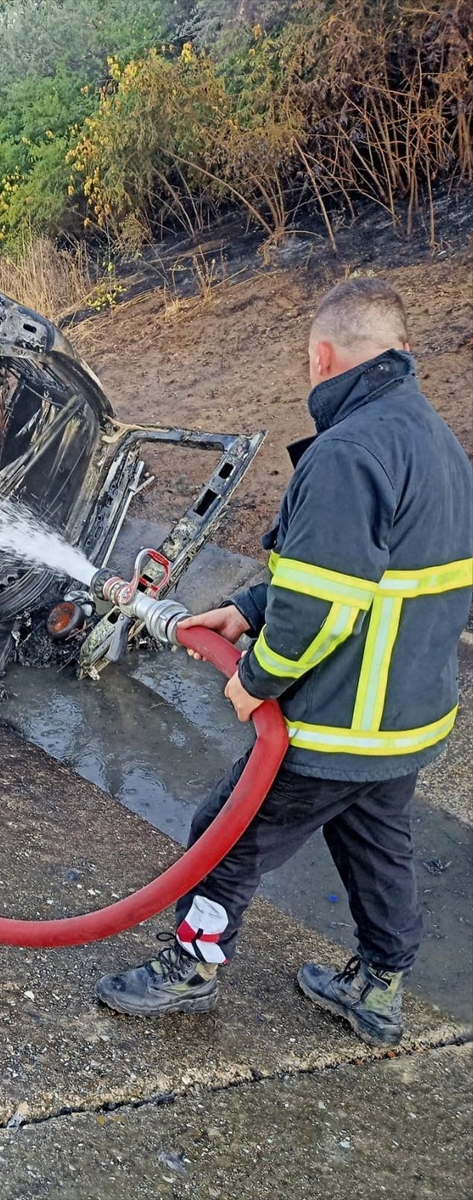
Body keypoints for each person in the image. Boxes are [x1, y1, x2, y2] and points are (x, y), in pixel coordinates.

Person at [95, 279, 473, 1048]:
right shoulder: (434, 439)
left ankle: (191, 968)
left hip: (339, 721)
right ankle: (378, 985)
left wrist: (256, 676)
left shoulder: (348, 451)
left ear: (321, 355)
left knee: (224, 834)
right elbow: (356, 572)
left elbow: (325, 606)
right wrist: (248, 609)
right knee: (375, 845)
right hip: (407, 719)